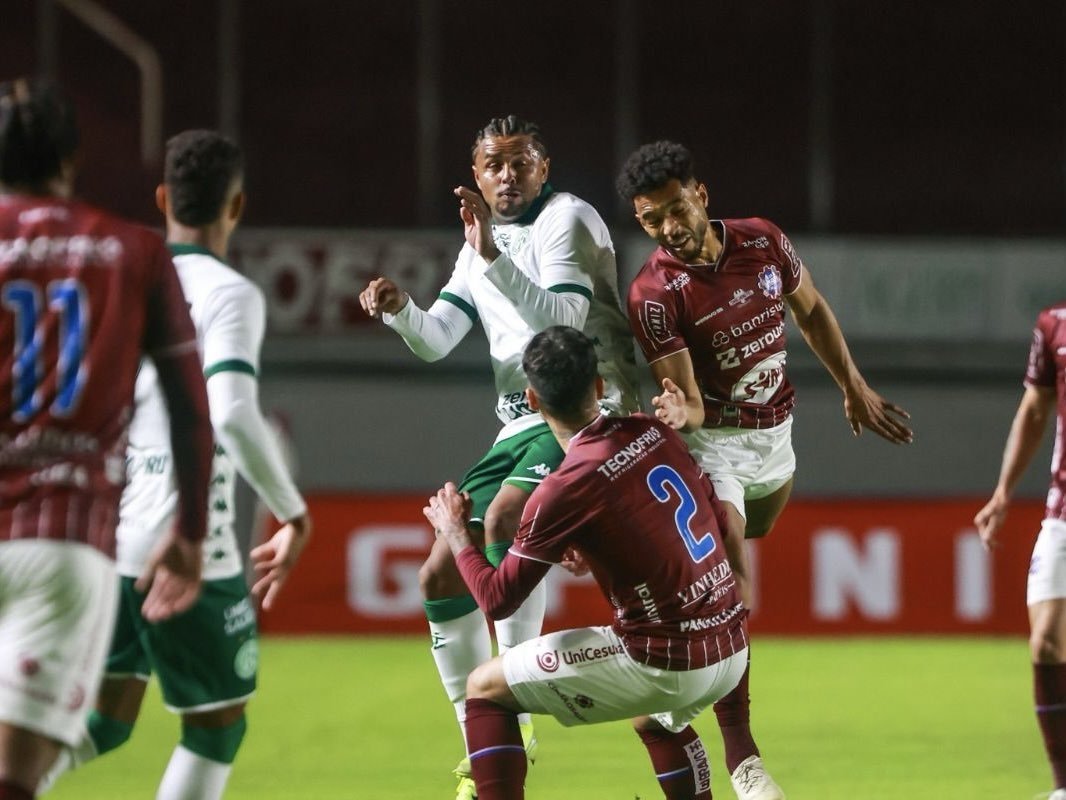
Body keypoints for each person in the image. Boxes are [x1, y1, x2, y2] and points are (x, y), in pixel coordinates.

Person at [616, 140, 914, 800]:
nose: (668, 228)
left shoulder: (764, 242)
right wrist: (684, 415)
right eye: (650, 219)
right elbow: (687, 399)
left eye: (673, 209)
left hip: (775, 437)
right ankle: (745, 758)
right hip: (712, 445)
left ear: (701, 194)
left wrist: (853, 385)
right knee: (736, 588)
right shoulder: (654, 293)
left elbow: (810, 310)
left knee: (756, 536)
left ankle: (674, 696)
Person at [359, 115, 640, 798]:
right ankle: (482, 744)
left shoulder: (566, 220)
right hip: (518, 423)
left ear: (545, 168)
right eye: (493, 164)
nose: (506, 176)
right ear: (476, 172)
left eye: (520, 163)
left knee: (504, 517)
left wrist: (493, 258)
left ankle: (514, 689)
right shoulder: (478, 242)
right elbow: (436, 338)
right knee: (437, 579)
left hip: (586, 409)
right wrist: (401, 311)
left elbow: (564, 324)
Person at [41, 130, 312, 799]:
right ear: (237, 205)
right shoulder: (229, 294)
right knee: (215, 727)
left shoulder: (120, 280)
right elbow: (233, 413)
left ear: (163, 198)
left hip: (107, 538)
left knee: (104, 720)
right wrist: (294, 512)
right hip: (187, 539)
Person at [423, 325, 750, 800]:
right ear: (599, 387)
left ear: (532, 400)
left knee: (485, 688)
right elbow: (709, 517)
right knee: (655, 719)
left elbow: (497, 600)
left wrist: (456, 534)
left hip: (669, 661)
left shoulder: (563, 487)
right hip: (731, 649)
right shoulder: (651, 430)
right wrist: (600, 548)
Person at [0, 79, 213, 800]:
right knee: (16, 779)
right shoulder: (132, 251)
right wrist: (188, 532)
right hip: (60, 540)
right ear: (71, 156)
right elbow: (191, 407)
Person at [974, 302, 1066, 800]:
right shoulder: (1054, 325)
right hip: (1063, 508)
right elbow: (1035, 406)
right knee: (1047, 640)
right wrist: (1004, 492)